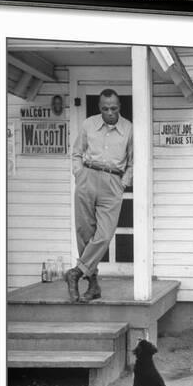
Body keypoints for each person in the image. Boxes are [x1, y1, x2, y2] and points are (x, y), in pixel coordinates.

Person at [64, 89, 133, 302]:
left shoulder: (129, 128)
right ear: (99, 107)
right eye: (105, 108)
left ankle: (76, 272)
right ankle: (93, 286)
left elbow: (133, 161)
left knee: (103, 234)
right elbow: (76, 152)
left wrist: (123, 183)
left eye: (113, 108)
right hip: (88, 177)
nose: (110, 112)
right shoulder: (88, 125)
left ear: (119, 107)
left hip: (112, 182)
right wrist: (79, 173)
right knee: (85, 232)